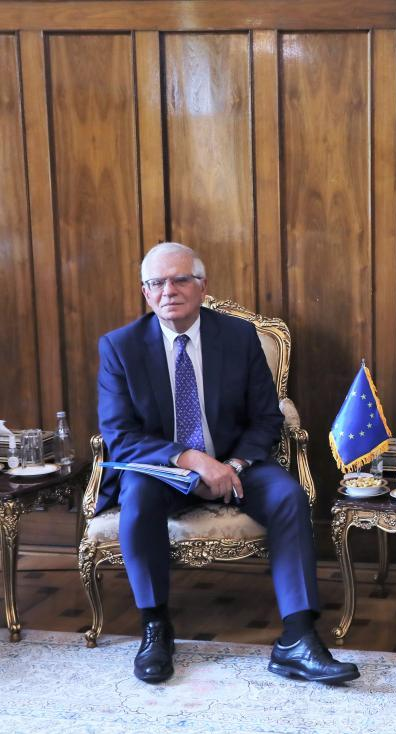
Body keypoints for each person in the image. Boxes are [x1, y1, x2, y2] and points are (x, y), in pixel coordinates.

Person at [97, 241, 358, 686]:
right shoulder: (121, 347)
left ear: (202, 286)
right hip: (163, 470)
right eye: (156, 283)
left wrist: (232, 464)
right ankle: (156, 628)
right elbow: (120, 435)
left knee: (289, 497)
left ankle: (297, 638)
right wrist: (193, 460)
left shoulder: (238, 337)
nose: (168, 291)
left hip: (237, 463)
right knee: (136, 498)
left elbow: (266, 417)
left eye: (180, 280)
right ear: (145, 292)